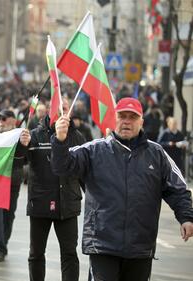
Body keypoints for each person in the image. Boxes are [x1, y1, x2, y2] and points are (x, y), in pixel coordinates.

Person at [51, 97, 193, 281]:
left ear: (141, 121)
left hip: (140, 247)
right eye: (122, 116)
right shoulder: (94, 150)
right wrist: (60, 141)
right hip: (102, 244)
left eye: (132, 117)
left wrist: (186, 217)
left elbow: (178, 189)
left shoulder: (157, 153)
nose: (126, 121)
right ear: (114, 118)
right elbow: (63, 166)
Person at [27, 114, 85, 281]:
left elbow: (83, 169)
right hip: (40, 203)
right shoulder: (35, 135)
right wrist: (21, 147)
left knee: (69, 254)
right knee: (36, 253)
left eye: (65, 108)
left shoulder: (77, 136)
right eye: (57, 107)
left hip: (68, 204)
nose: (61, 112)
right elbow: (18, 162)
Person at [0, 109, 30, 262]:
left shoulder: (21, 136)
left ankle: (3, 243)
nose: (0, 121)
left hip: (13, 181)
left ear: (14, 121)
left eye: (4, 118)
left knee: (9, 215)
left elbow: (25, 159)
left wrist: (23, 144)